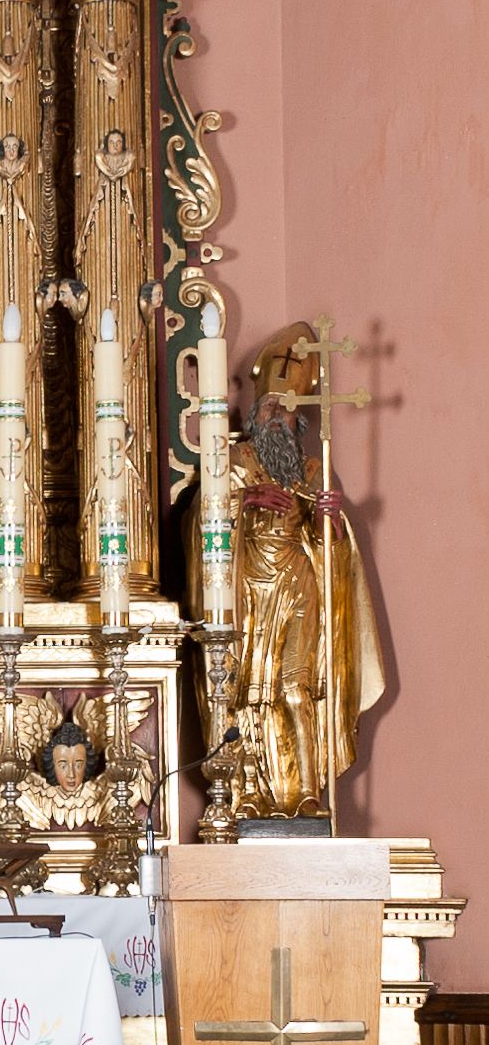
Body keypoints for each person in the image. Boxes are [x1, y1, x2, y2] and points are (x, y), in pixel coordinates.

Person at [190, 322, 386, 818]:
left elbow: (334, 552)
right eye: (270, 408)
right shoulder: (231, 461)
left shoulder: (312, 469)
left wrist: (329, 521)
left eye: (287, 410)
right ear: (255, 412)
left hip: (298, 585)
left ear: (299, 420)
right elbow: (201, 522)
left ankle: (306, 792)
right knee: (245, 695)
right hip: (246, 589)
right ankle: (246, 793)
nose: (277, 416)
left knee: (297, 690)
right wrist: (242, 500)